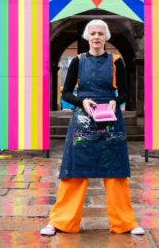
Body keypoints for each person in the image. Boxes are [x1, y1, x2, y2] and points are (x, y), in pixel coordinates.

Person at [41, 19, 144, 236]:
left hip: (111, 121)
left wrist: (118, 101)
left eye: (100, 33)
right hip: (83, 120)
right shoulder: (77, 61)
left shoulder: (117, 62)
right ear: (87, 37)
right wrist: (82, 102)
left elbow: (124, 92)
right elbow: (66, 93)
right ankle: (60, 221)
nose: (96, 37)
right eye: (93, 33)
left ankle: (125, 223)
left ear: (106, 37)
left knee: (116, 171)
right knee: (74, 170)